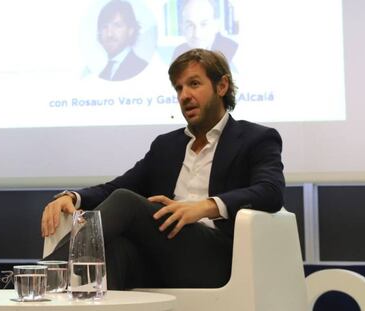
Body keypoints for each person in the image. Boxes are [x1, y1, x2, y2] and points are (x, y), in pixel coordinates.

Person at [42, 48, 284, 290]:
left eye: (194, 84)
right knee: (115, 250)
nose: (184, 95)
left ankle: (43, 279)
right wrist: (74, 197)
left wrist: (204, 207)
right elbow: (117, 186)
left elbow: (270, 191)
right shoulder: (167, 145)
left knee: (126, 202)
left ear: (221, 86)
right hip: (162, 257)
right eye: (179, 88)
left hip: (215, 259)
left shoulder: (256, 138)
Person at [172, 0, 238, 63]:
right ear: (182, 27)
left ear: (216, 25)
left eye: (204, 24)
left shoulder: (233, 51)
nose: (197, 34)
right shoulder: (179, 53)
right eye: (190, 25)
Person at [97, 0, 148, 81]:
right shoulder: (102, 73)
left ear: (130, 30)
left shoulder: (141, 68)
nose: (109, 34)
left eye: (117, 25)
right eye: (104, 27)